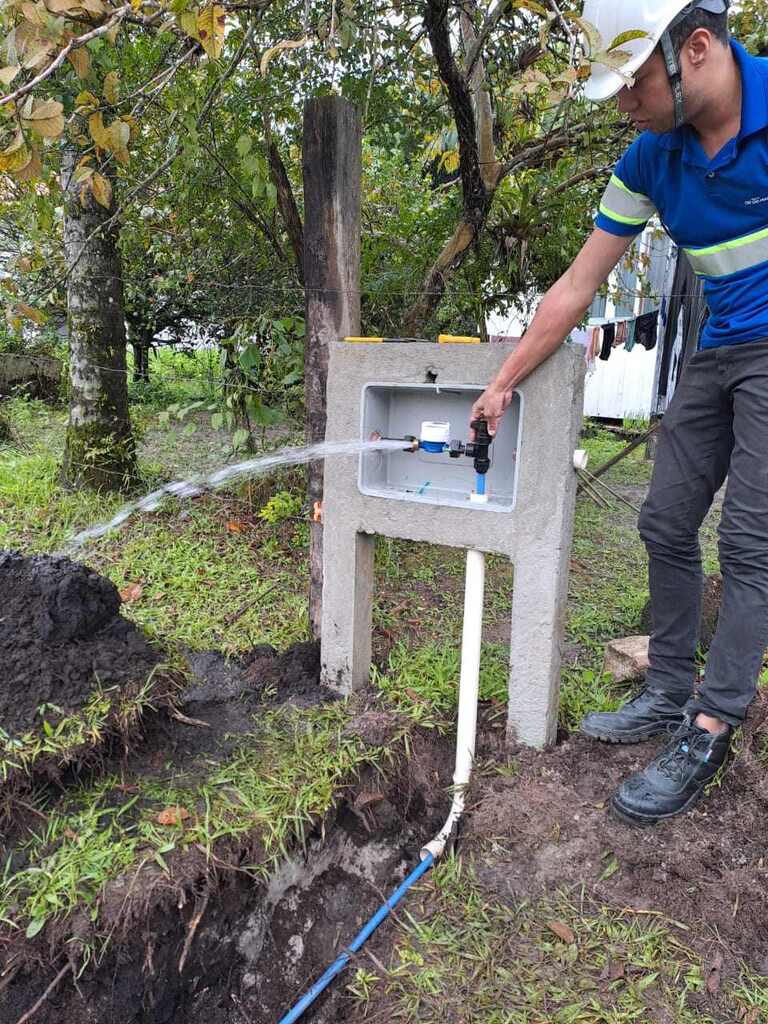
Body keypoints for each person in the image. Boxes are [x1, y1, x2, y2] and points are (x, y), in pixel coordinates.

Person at [471, 0, 768, 825]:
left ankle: (710, 726)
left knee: (751, 539)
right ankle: (670, 689)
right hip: (718, 346)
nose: (625, 105)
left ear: (697, 51)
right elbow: (576, 286)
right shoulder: (649, 160)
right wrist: (503, 381)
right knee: (665, 520)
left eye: (633, 85)